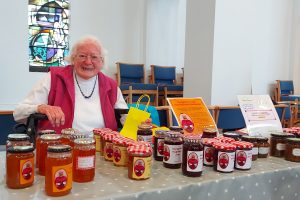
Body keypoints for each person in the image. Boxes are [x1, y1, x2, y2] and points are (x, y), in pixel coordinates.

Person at [13, 35, 128, 133]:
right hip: (60, 150)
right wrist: (41, 107)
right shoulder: (53, 78)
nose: (88, 62)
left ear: (102, 61)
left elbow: (125, 117)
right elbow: (18, 113)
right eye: (82, 56)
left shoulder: (111, 85)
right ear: (73, 59)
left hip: (102, 151)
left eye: (94, 57)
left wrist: (141, 123)